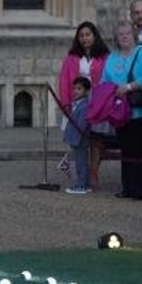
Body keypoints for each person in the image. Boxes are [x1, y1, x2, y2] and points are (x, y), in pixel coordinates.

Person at [102, 20, 142, 199]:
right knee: (126, 150)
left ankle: (141, 188)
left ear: (134, 35)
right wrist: (111, 92)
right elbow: (104, 81)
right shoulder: (112, 56)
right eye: (120, 33)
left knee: (139, 149)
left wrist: (128, 87)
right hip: (120, 111)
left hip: (139, 111)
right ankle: (128, 187)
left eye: (127, 33)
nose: (124, 36)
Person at [58, 21, 109, 189]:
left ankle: (93, 171)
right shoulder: (71, 59)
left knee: (95, 139)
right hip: (77, 106)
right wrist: (66, 106)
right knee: (79, 141)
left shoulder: (104, 57)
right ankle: (81, 176)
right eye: (81, 35)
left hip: (97, 104)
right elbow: (64, 83)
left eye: (88, 35)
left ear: (94, 36)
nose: (85, 38)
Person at [63, 77, 92, 194]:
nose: (75, 91)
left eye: (79, 89)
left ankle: (81, 185)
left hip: (80, 138)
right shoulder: (78, 103)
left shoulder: (84, 105)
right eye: (74, 88)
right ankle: (85, 183)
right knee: (81, 161)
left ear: (86, 91)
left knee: (81, 162)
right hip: (77, 137)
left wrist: (78, 136)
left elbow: (81, 124)